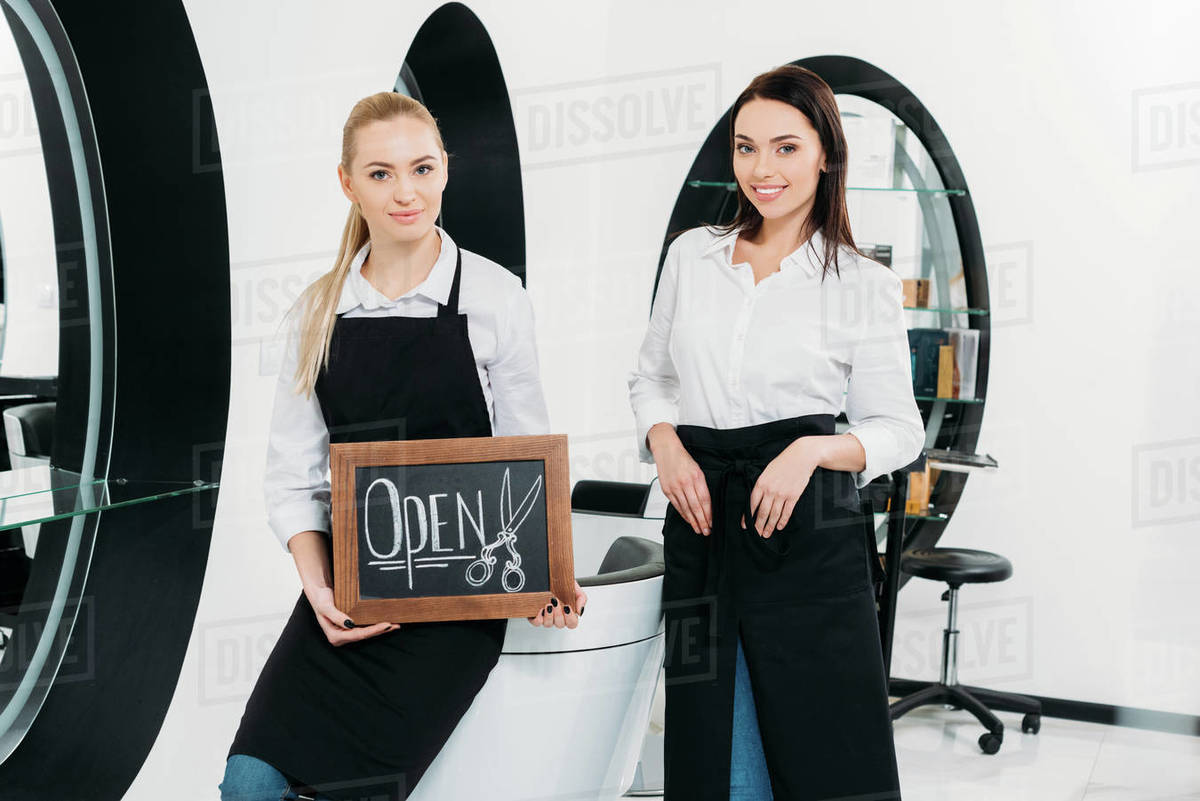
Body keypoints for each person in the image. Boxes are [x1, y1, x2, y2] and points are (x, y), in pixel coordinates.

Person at [220, 91, 587, 801]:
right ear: (347, 183)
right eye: (381, 173)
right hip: (352, 597)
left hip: (458, 611)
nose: (406, 192)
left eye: (421, 168)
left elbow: (525, 463)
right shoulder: (316, 311)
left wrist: (547, 579)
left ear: (445, 169)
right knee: (248, 783)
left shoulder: (495, 297)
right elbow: (292, 481)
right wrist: (319, 592)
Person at [628, 65, 923, 800]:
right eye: (747, 147)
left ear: (826, 154)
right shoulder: (691, 257)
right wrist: (665, 444)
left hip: (806, 528)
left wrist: (812, 450)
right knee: (712, 740)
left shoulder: (863, 284)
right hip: (701, 517)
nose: (763, 168)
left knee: (821, 744)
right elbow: (651, 378)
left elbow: (899, 429)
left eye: (786, 148)